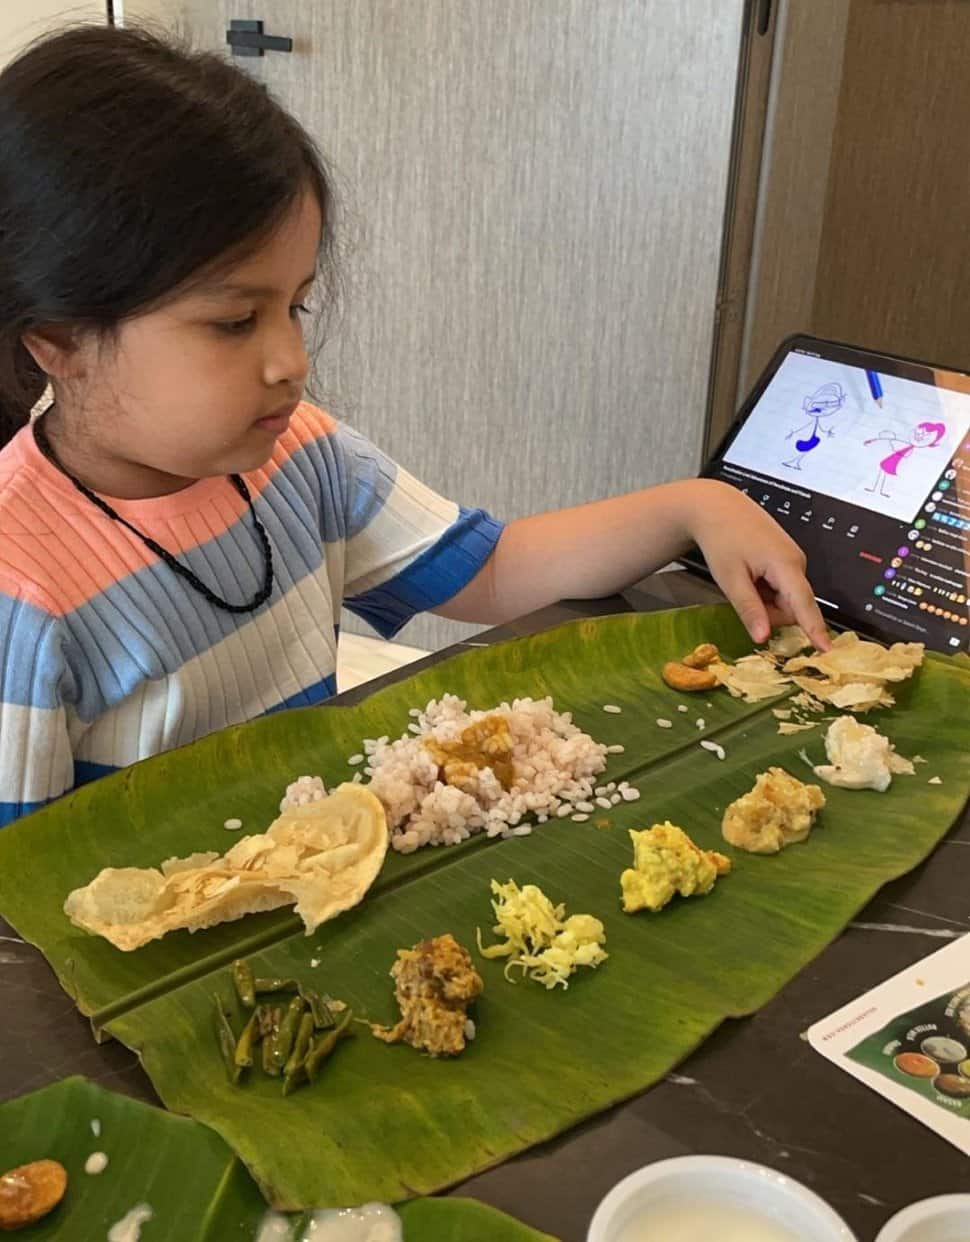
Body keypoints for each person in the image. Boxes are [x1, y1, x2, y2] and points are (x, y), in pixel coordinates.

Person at [0, 26, 828, 827]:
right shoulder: (22, 594)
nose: (291, 358)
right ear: (62, 339)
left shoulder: (302, 455)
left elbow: (497, 570)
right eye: (233, 321)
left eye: (297, 305)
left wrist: (693, 506)